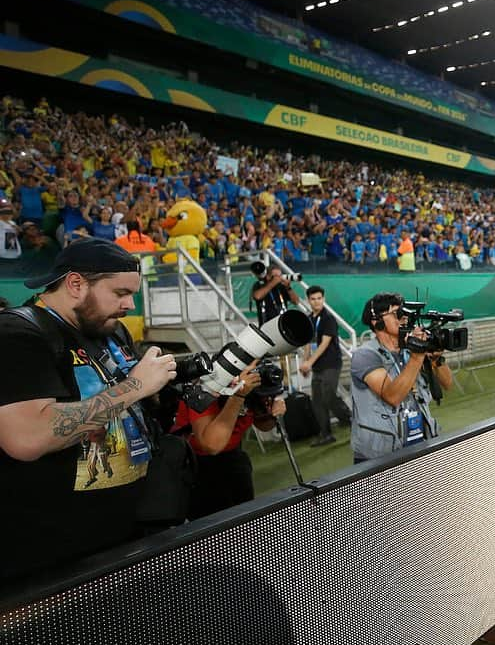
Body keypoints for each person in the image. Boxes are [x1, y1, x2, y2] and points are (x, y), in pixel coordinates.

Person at [0, 238, 177, 584]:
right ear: (76, 284)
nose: (129, 304)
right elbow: (27, 437)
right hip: (48, 559)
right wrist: (136, 386)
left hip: (126, 537)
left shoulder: (110, 330)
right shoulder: (16, 333)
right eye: (120, 292)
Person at [173, 360, 286, 519]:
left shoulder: (255, 387)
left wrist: (274, 413)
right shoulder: (207, 387)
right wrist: (238, 395)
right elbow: (211, 445)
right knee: (212, 528)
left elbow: (264, 425)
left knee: (244, 521)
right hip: (198, 465)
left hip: (233, 458)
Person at [349, 293, 452, 461]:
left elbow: (447, 384)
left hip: (419, 444)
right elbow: (392, 395)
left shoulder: (410, 350)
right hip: (379, 455)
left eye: (406, 312)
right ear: (377, 322)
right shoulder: (365, 355)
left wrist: (436, 359)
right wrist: (417, 357)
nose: (405, 318)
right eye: (397, 313)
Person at [299, 286, 351, 446]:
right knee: (317, 401)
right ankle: (326, 434)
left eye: (319, 298)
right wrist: (305, 362)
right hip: (317, 366)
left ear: (324, 299)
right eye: (313, 299)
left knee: (328, 395)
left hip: (331, 363)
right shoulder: (308, 319)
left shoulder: (328, 318)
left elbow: (324, 344)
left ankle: (351, 421)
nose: (317, 302)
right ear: (308, 300)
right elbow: (308, 343)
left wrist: (309, 362)